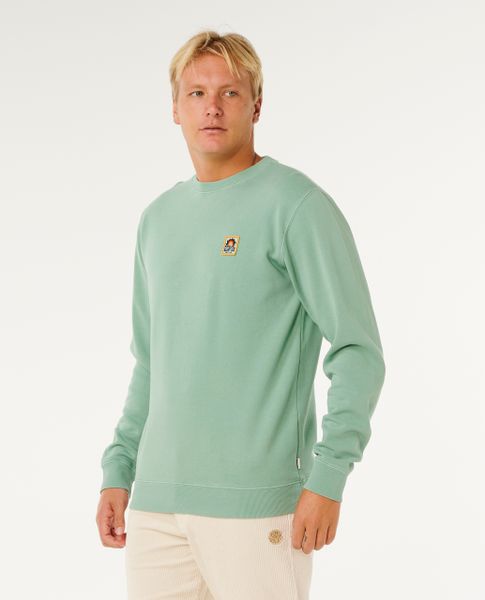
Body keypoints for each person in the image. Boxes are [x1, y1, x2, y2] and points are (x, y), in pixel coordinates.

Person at [95, 29, 386, 600]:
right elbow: (151, 362)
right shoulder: (158, 220)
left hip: (258, 507)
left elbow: (358, 349)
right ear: (174, 108)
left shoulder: (296, 206)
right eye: (197, 93)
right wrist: (119, 468)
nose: (212, 106)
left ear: (256, 105)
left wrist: (328, 477)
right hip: (156, 505)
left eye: (229, 92)